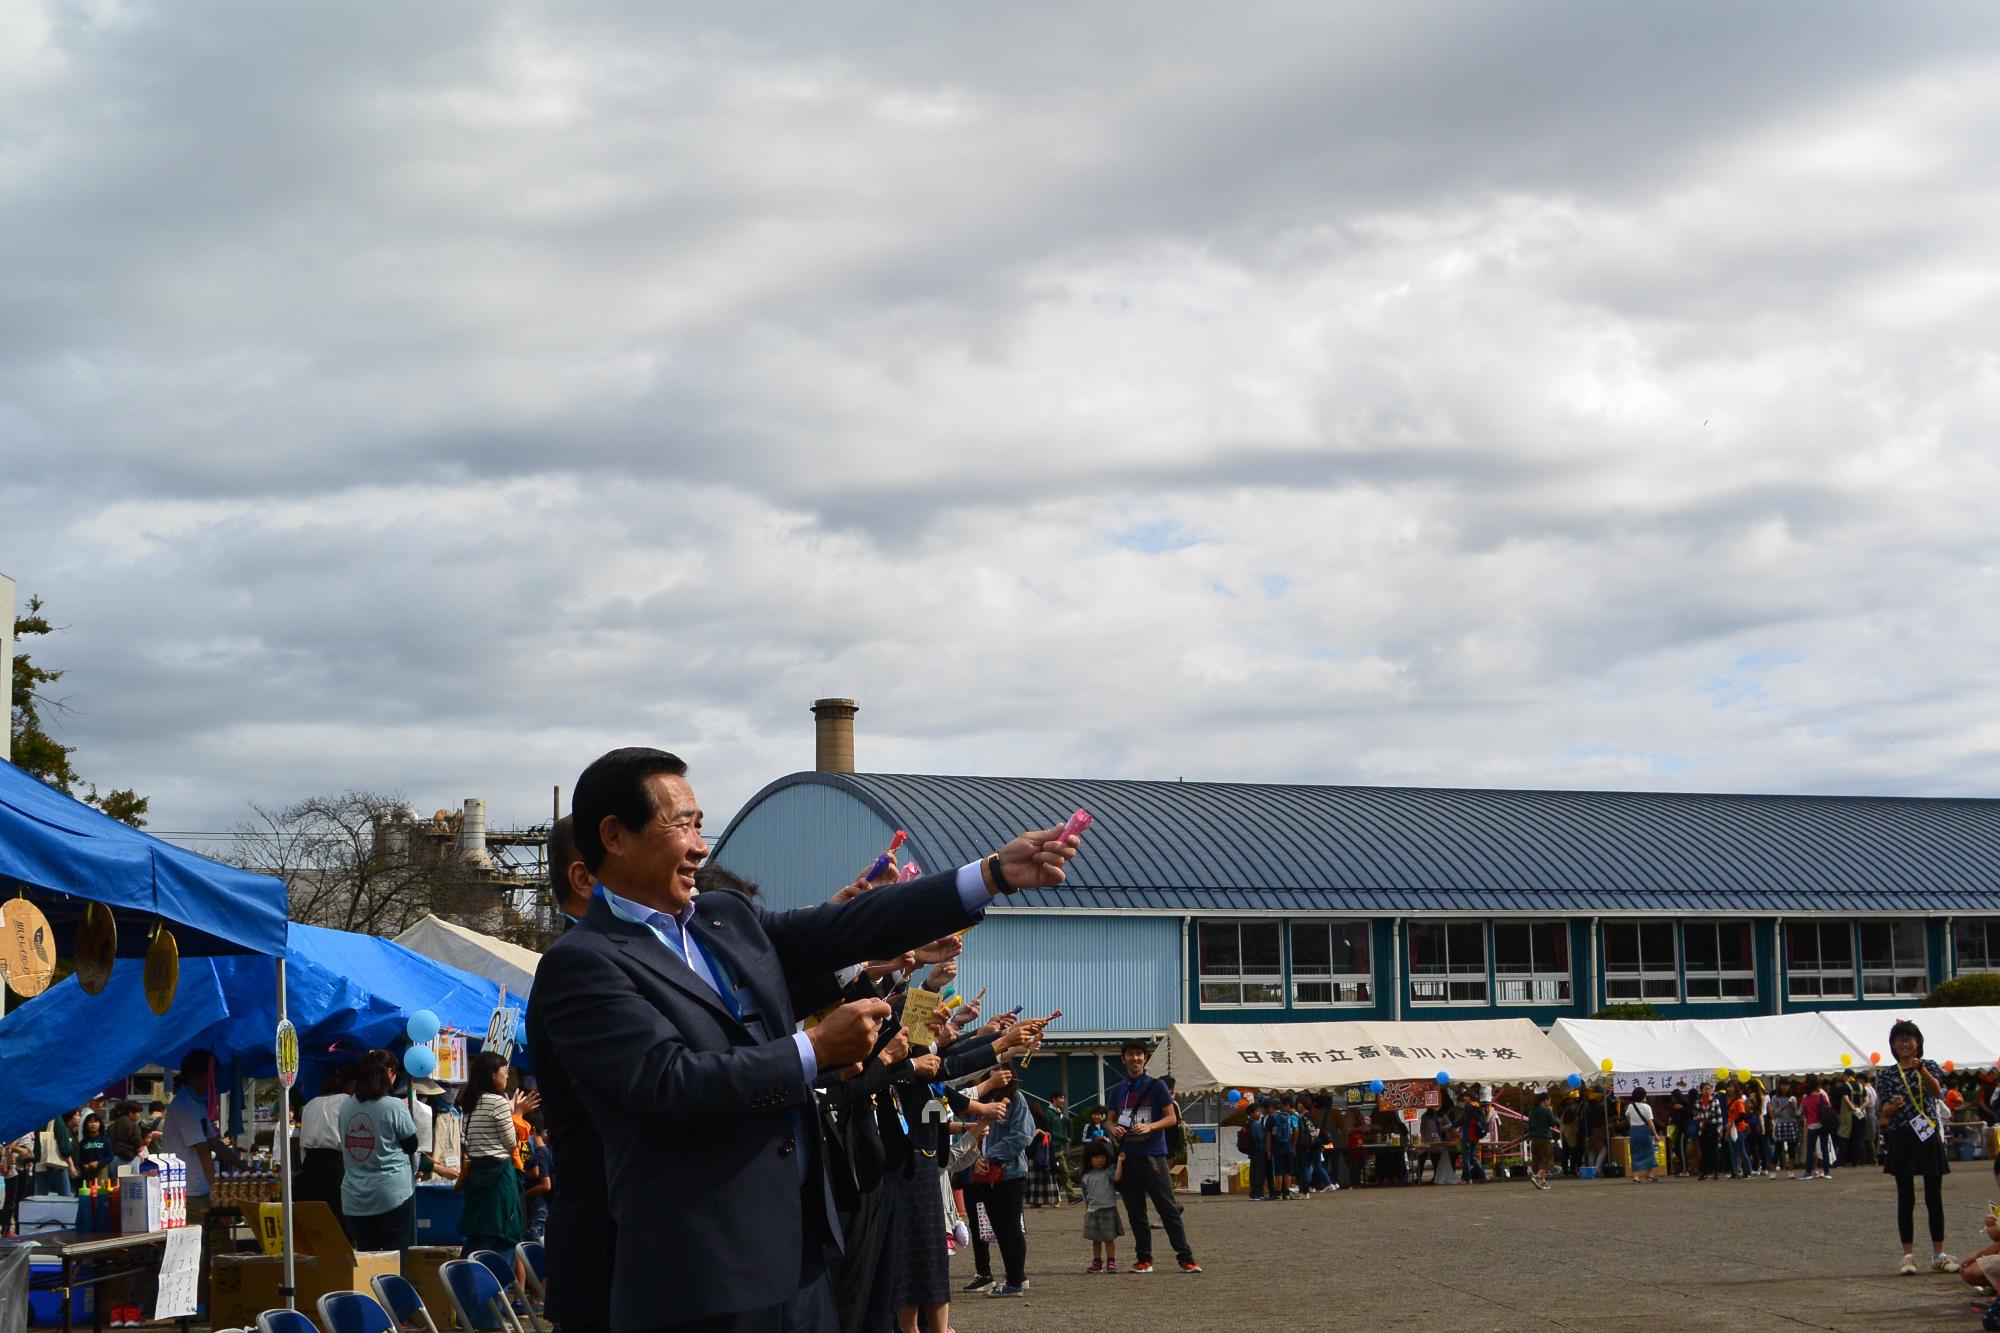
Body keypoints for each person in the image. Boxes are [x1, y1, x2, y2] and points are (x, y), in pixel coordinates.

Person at [527, 746, 1079, 1332]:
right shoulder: (582, 963)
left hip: (798, 1255)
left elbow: (847, 928)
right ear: (614, 836)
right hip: (697, 1274)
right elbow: (667, 1084)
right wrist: (815, 1050)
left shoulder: (724, 920)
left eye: (700, 824)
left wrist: (989, 875)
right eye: (682, 825)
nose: (700, 846)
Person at [1107, 1039, 1200, 1273]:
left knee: (1167, 1209)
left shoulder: (1157, 1086)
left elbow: (1171, 1118)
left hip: (1153, 1157)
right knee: (1136, 1213)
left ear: (1145, 1058)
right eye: (1130, 1054)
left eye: (1139, 1054)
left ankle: (1186, 1258)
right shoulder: (1118, 1090)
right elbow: (1110, 1119)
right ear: (1123, 1058)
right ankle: (1144, 1259)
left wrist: (1151, 1127)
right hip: (1127, 1158)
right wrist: (1113, 1128)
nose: (1135, 1058)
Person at [1877, 1019, 1955, 1275]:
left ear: (1918, 1043)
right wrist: (1893, 1106)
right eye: (1899, 1039)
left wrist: (1922, 1071)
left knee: (1934, 1195)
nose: (1905, 1043)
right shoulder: (1887, 1073)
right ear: (1892, 1045)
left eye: (1909, 1038)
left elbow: (1937, 1093)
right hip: (1902, 1134)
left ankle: (1938, 1253)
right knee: (1905, 1197)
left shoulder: (1929, 1065)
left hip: (1928, 1132)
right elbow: (1883, 1114)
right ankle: (1907, 1256)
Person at [338, 1050, 419, 1255]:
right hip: (392, 1193)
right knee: (395, 1257)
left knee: (367, 1258)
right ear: (390, 1072)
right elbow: (412, 1145)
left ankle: (368, 1289)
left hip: (355, 1195)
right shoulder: (393, 1106)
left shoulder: (346, 1105)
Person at [964, 1067, 1034, 1299]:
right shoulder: (981, 1101)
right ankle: (1016, 1276)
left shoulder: (1016, 1099)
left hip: (1010, 1173)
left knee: (1010, 1227)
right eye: (991, 1070)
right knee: (999, 1227)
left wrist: (990, 1155)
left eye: (1003, 1069)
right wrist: (976, 1160)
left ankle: (1015, 1280)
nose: (997, 1074)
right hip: (985, 1173)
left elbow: (1024, 1134)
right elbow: (972, 1135)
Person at [456, 1050, 526, 1259]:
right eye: (504, 1072)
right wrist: (517, 1115)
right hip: (499, 1177)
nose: (506, 1076)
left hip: (476, 1173)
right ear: (492, 1075)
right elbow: (510, 1143)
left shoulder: (468, 1102)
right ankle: (494, 1287)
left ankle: (467, 1283)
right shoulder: (498, 1102)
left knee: (477, 1233)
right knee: (501, 1232)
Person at [297, 1065, 354, 1229]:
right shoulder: (348, 1101)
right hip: (336, 1166)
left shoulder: (310, 1104)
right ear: (351, 1085)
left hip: (309, 1167)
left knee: (316, 1227)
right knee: (340, 1225)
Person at [1080, 1139, 1122, 1273]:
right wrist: (1086, 1212)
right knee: (1095, 1239)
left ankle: (1111, 1261)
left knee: (1109, 1239)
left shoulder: (1108, 1171)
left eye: (1102, 1157)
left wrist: (1120, 1162)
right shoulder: (1085, 1176)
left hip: (1108, 1208)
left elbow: (1116, 1178)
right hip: (1093, 1210)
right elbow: (1086, 1196)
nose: (1100, 1160)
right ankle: (1097, 1261)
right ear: (1089, 1159)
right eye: (1096, 1157)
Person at [1043, 1091, 1078, 1204]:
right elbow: (1050, 1131)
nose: (1063, 1101)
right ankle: (1064, 1197)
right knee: (1057, 1173)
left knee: (1063, 1172)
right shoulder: (1048, 1113)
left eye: (1063, 1098)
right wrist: (1064, 1138)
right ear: (1054, 1099)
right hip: (1052, 1148)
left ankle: (1071, 1196)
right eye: (1061, 1098)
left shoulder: (1058, 1113)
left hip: (1058, 1148)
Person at [1800, 1074, 1834, 1180]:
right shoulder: (1822, 1097)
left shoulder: (1806, 1099)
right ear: (1817, 1087)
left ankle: (1808, 1171)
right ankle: (1826, 1171)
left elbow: (1804, 1112)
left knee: (1810, 1149)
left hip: (1811, 1125)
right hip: (1823, 1125)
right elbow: (1829, 1108)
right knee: (1824, 1148)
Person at [1266, 1095, 1298, 1199]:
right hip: (1288, 1147)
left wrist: (1269, 1150)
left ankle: (1278, 1193)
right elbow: (1294, 1131)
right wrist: (1293, 1146)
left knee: (1278, 1171)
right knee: (1288, 1171)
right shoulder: (1288, 1116)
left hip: (1277, 1147)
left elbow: (1269, 1136)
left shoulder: (1271, 1118)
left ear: (1272, 1107)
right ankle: (1287, 1193)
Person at [1626, 1089, 1661, 1182]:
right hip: (1644, 1131)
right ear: (1643, 1096)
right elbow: (1650, 1122)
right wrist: (1656, 1134)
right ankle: (1649, 1174)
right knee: (1650, 1153)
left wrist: (1632, 1124)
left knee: (1635, 1154)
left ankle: (1635, 1177)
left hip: (1634, 1131)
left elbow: (1628, 1116)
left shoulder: (1630, 1106)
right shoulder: (1647, 1107)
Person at [1527, 1090, 1557, 1190]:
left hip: (1534, 1138)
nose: (1550, 1102)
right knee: (1546, 1159)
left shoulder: (1532, 1110)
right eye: (1549, 1100)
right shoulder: (1547, 1110)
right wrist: (1551, 1111)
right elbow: (1553, 1123)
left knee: (1537, 1160)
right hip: (1544, 1138)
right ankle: (1537, 1177)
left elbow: (1529, 1124)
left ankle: (1543, 1181)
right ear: (1546, 1100)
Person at [74, 1114, 112, 1184]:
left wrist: (98, 1163)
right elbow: (79, 1158)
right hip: (87, 1173)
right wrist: (84, 1165)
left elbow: (110, 1156)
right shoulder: (83, 1142)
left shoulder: (105, 1140)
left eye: (96, 1122)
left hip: (101, 1171)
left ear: (100, 1124)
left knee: (101, 1192)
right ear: (86, 1124)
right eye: (90, 1122)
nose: (93, 1124)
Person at [108, 1101, 145, 1166]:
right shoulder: (133, 1125)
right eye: (138, 1113)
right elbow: (139, 1148)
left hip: (114, 1159)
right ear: (130, 1113)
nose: (139, 1115)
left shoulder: (111, 1126)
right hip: (130, 1159)